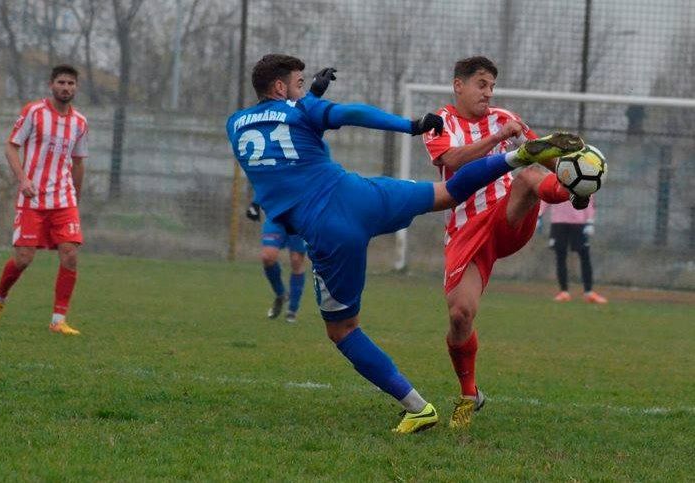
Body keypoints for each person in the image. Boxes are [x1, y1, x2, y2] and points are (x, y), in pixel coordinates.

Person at [226, 54, 582, 433]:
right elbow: (351, 113)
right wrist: (410, 125)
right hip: (360, 194)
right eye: (299, 84)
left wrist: (308, 95)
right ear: (280, 87)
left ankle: (417, 407)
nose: (304, 91)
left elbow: (280, 133)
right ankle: (514, 158)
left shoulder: (234, 124)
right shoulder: (301, 110)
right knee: (447, 193)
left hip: (328, 232)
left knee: (343, 330)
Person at [421, 56, 590, 429]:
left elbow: (543, 157)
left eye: (492, 86)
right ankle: (470, 394)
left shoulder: (506, 118)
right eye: (481, 84)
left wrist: (574, 175)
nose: (488, 93)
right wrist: (499, 139)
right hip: (466, 231)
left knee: (528, 178)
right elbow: (453, 160)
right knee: (460, 315)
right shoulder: (439, 122)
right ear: (459, 85)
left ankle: (572, 194)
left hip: (507, 216)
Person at [0, 64, 88, 336]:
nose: (66, 88)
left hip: (64, 199)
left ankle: (58, 321)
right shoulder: (34, 112)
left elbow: (78, 162)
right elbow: (10, 146)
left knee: (70, 254)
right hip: (33, 198)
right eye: (61, 82)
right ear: (51, 84)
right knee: (24, 258)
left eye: (71, 83)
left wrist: (75, 196)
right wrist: (23, 179)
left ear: (76, 87)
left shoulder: (80, 122)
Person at [246, 201, 308, 323]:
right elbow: (264, 188)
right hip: (276, 215)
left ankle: (292, 309)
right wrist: (255, 203)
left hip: (300, 216)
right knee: (267, 257)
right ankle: (281, 294)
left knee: (296, 260)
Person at [540, 197, 608, 303]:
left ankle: (588, 292)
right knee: (560, 256)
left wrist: (590, 221)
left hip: (578, 222)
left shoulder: (582, 185)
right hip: (559, 222)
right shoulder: (555, 184)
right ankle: (564, 292)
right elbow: (547, 197)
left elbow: (588, 197)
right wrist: (539, 215)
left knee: (584, 255)